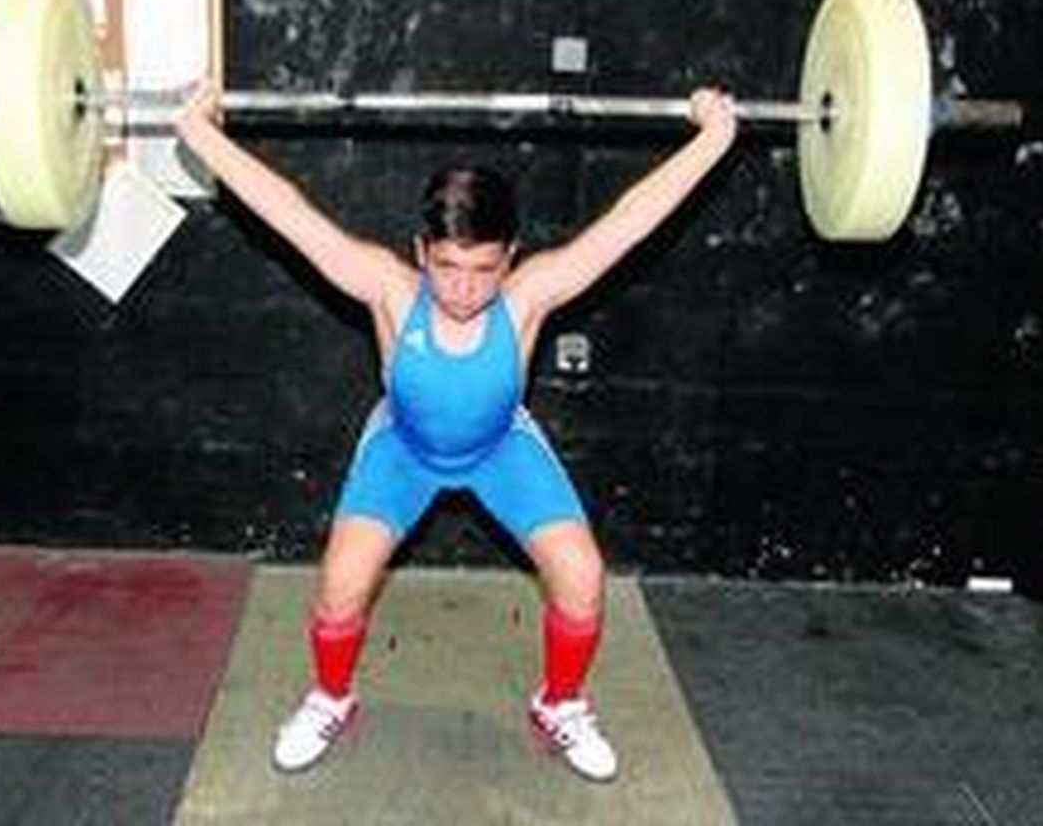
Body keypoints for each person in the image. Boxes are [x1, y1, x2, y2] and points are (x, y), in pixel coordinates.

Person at [175, 85, 737, 783]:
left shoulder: (530, 294)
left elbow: (629, 223)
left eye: (483, 270)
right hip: (402, 450)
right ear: (422, 251)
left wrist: (713, 137)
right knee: (340, 584)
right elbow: (288, 212)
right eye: (447, 267)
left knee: (583, 578)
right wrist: (200, 132)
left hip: (501, 449)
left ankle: (559, 704)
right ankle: (332, 698)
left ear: (510, 258)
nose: (465, 288)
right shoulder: (388, 287)